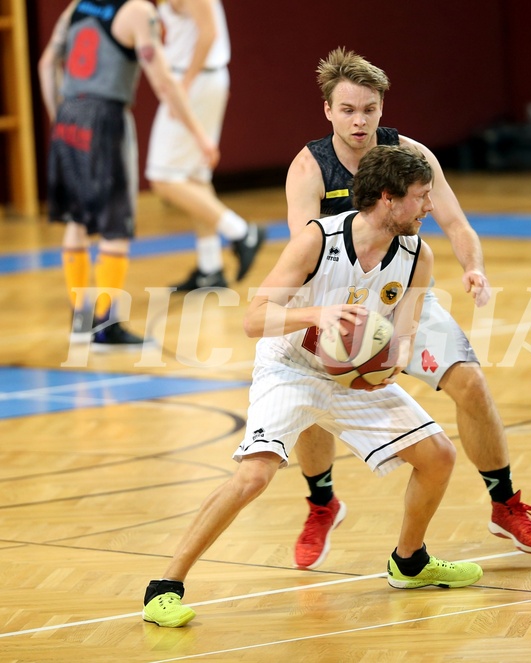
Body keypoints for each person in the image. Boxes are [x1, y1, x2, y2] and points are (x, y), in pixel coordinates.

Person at [142, 145, 484, 628]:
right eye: (421, 197)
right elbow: (253, 319)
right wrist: (317, 315)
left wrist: (385, 368)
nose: (430, 206)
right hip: (291, 367)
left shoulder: (416, 257)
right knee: (254, 475)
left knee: (438, 456)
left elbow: (404, 336)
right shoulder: (316, 241)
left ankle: (409, 562)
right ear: (388, 199)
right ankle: (164, 589)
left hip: (350, 379)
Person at [285, 47, 531, 570]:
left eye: (368, 108)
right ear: (328, 111)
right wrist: (330, 326)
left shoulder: (411, 155)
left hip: (403, 293)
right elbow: (307, 249)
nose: (359, 120)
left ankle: (505, 503)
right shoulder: (308, 167)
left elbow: (456, 223)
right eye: (347, 110)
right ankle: (322, 503)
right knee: (310, 400)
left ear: (382, 106)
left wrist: (473, 267)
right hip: (336, 302)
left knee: (471, 383)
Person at [38, 0, 219, 349]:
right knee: (115, 223)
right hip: (105, 119)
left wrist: (58, 117)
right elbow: (164, 81)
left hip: (68, 114)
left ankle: (81, 320)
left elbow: (47, 63)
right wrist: (199, 133)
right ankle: (106, 324)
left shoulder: (77, 6)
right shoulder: (138, 12)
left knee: (77, 221)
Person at [145, 0, 265, 291]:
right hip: (201, 79)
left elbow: (208, 33)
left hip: (194, 80)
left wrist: (184, 85)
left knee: (162, 178)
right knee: (194, 177)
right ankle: (210, 268)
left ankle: (241, 232)